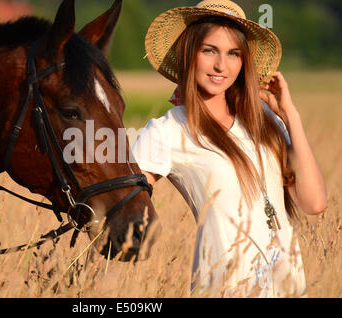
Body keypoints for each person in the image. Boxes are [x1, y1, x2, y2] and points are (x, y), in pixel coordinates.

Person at [132, 0, 327, 297]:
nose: (221, 65)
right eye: (209, 50)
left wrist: (290, 114)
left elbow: (314, 203)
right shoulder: (168, 130)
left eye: (233, 54)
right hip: (224, 289)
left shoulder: (267, 122)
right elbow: (122, 195)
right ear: (189, 54)